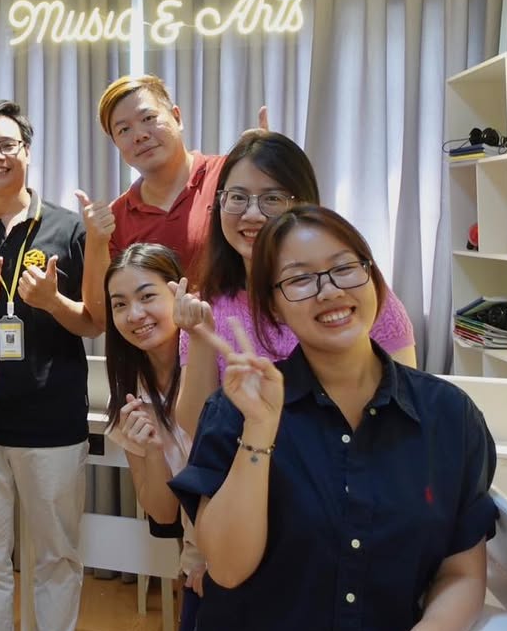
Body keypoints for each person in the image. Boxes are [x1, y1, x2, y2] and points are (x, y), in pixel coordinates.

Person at [169, 206, 497, 631]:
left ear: (373, 279)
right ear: (273, 307)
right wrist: (260, 430)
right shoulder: (234, 410)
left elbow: (462, 573)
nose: (329, 291)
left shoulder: (449, 415)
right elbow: (227, 569)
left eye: (344, 268)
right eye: (300, 279)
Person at [0, 101, 99, 631]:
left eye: (7, 144)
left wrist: (54, 302)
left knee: (56, 556)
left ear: (27, 153)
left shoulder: (68, 228)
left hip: (52, 420)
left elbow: (94, 322)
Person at [173, 131, 416, 438]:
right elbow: (198, 426)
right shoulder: (206, 308)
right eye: (237, 197)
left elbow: (405, 407)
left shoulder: (354, 293)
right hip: (245, 463)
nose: (252, 214)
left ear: (304, 203)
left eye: (272, 198)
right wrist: (200, 339)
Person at [78, 74, 265, 322]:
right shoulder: (117, 218)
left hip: (241, 338)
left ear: (177, 117)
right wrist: (96, 241)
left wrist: (266, 170)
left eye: (148, 118)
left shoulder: (228, 176)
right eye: (124, 130)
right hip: (158, 347)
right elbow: (103, 316)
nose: (139, 135)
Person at [103, 243, 205, 631]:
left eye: (147, 297)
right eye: (120, 304)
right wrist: (151, 450)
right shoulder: (128, 394)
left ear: (179, 292)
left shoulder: (210, 361)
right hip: (195, 551)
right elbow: (163, 513)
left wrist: (213, 554)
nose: (134, 315)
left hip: (244, 543)